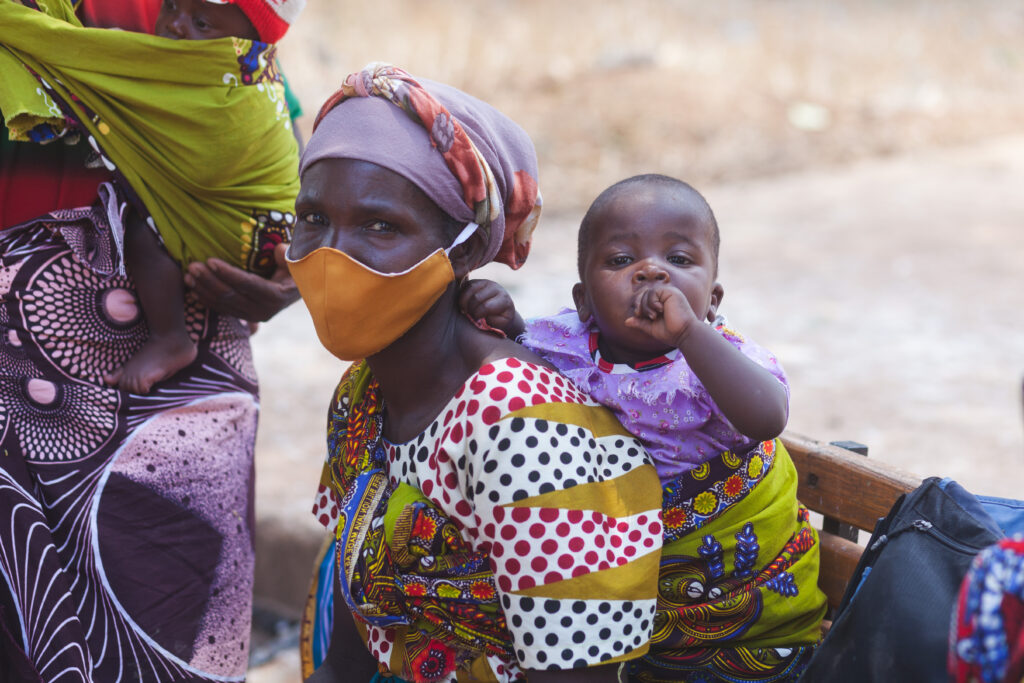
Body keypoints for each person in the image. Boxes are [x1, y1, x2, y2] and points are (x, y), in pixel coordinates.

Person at [288, 63, 665, 683]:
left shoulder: (520, 427)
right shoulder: (363, 394)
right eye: (312, 218)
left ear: (462, 249)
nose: (333, 253)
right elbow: (352, 652)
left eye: (381, 225)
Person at [0, 0, 303, 679]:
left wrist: (294, 266)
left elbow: (270, 123)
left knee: (167, 635)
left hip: (171, 374)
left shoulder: (188, 10)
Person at [462, 174, 827, 681]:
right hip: (614, 576)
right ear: (585, 300)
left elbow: (768, 419)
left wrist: (689, 334)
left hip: (730, 603)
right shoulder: (566, 344)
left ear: (714, 299)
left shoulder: (714, 361)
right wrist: (505, 318)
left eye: (679, 260)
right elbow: (522, 379)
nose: (651, 272)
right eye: (619, 261)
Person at [1, 0, 303, 394]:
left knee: (142, 217)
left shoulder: (229, 67)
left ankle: (170, 338)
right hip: (23, 346)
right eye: (172, 6)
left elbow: (281, 136)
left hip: (197, 350)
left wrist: (299, 262)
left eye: (200, 21)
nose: (175, 25)